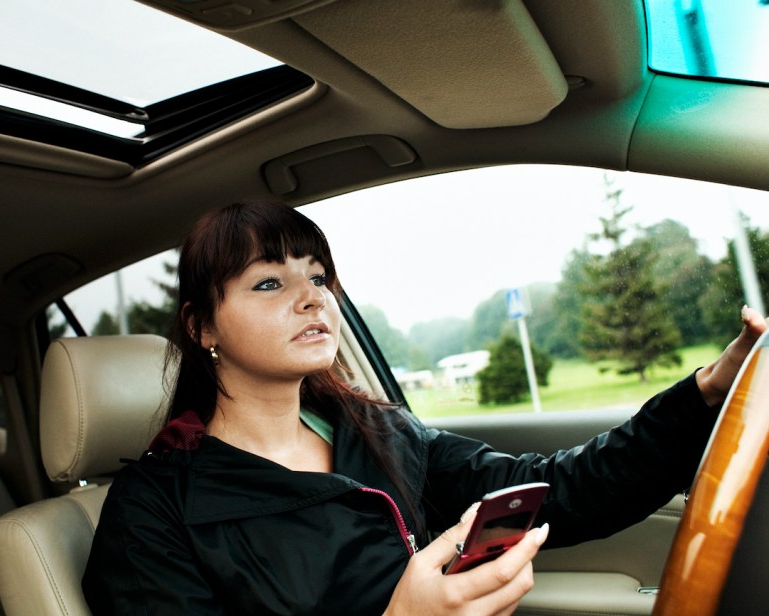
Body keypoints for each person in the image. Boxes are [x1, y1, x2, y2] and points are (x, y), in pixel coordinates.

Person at [82, 200, 768, 615]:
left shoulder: (378, 431)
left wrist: (706, 390)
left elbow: (559, 490)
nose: (312, 296)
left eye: (318, 277)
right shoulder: (154, 509)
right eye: (269, 281)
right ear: (202, 327)